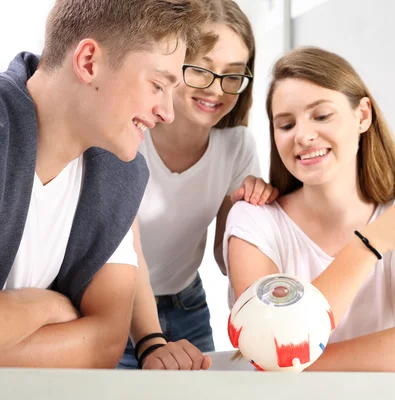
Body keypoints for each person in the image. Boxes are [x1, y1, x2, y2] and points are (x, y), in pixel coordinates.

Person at [0, 0, 215, 368]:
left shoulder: (119, 174)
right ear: (89, 61)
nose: (167, 112)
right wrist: (40, 307)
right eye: (157, 85)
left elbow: (104, 343)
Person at [223, 47, 395, 372]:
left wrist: (292, 367)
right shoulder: (253, 220)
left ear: (363, 116)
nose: (302, 135)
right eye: (286, 125)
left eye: (321, 115)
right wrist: (369, 243)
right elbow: (267, 344)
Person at [118, 0, 278, 370]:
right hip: (119, 307)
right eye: (202, 70)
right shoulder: (130, 136)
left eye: (232, 74)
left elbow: (225, 261)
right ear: (172, 67)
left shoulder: (236, 145)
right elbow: (126, 249)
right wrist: (150, 340)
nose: (217, 89)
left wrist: (248, 209)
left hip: (187, 305)